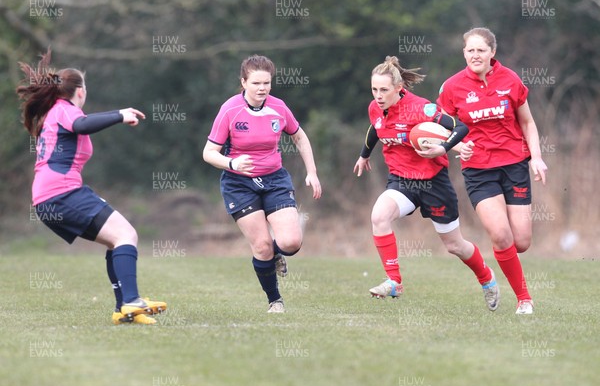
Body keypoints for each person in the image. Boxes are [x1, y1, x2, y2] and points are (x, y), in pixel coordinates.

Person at [16, 49, 166, 325]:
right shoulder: (64, 110)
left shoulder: (54, 112)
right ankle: (132, 301)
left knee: (115, 240)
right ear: (79, 91)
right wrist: (120, 114)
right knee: (126, 235)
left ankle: (124, 309)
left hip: (51, 197)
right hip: (60, 193)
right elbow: (82, 125)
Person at [353, 55, 500, 312]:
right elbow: (376, 128)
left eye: (384, 90)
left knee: (455, 245)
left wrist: (443, 147)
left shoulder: (422, 108)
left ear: (399, 88)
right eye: (374, 89)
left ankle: (486, 278)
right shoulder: (375, 107)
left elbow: (459, 128)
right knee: (379, 216)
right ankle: (395, 282)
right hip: (402, 181)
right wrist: (364, 155)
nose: (378, 95)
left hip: (434, 183)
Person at [437, 27, 548, 315]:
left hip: (514, 165)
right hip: (478, 171)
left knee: (520, 242)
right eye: (470, 50)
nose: (475, 55)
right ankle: (524, 299)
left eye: (481, 50)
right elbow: (441, 129)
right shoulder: (452, 87)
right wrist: (457, 148)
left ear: (492, 53)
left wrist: (536, 157)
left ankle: (504, 258)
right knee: (500, 234)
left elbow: (528, 123)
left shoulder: (510, 79)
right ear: (464, 53)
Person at [203, 54, 322, 313]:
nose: (262, 89)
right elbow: (209, 153)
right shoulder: (230, 110)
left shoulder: (278, 107)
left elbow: (300, 138)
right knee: (261, 246)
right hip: (239, 184)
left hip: (274, 179)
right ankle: (275, 300)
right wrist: (232, 163)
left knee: (290, 243)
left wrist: (311, 172)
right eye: (256, 83)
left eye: (266, 83)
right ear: (243, 82)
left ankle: (277, 254)